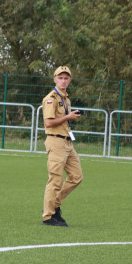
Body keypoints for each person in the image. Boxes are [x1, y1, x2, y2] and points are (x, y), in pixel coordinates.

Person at [41, 65, 83, 227]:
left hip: (67, 141)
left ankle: (55, 204)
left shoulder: (66, 99)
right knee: (55, 180)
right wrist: (68, 117)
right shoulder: (50, 98)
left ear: (70, 80)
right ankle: (48, 216)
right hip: (56, 141)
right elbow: (49, 122)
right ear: (55, 79)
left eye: (66, 78)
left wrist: (69, 119)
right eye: (60, 78)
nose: (63, 80)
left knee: (77, 177)